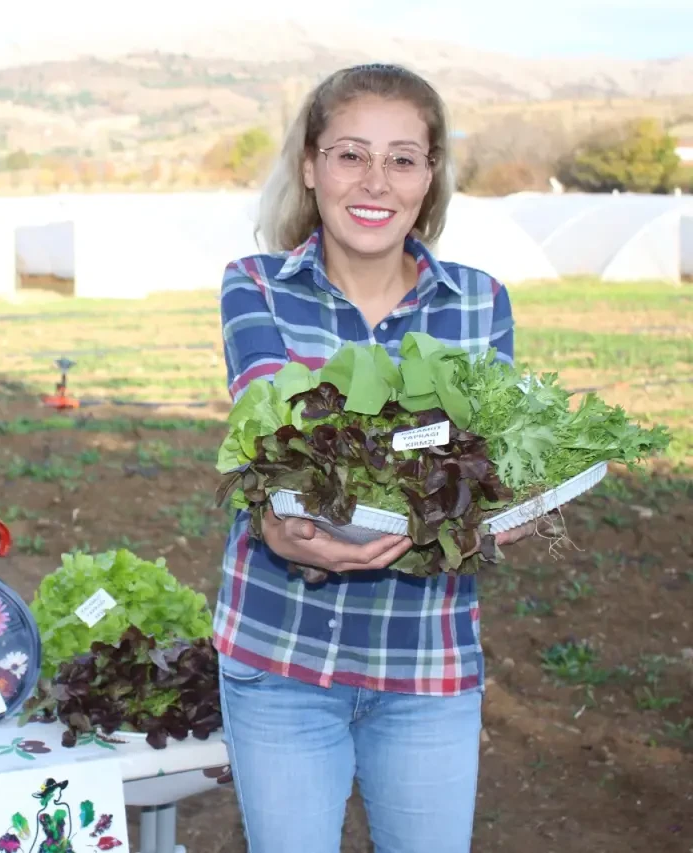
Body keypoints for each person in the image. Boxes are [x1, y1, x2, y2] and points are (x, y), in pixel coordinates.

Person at [215, 62, 536, 853]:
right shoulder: (256, 286)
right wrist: (281, 528)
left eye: (402, 158)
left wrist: (509, 506)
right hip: (281, 657)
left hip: (424, 662)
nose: (376, 181)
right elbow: (272, 431)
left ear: (430, 176)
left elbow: (487, 464)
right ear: (310, 165)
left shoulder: (479, 302)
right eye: (351, 154)